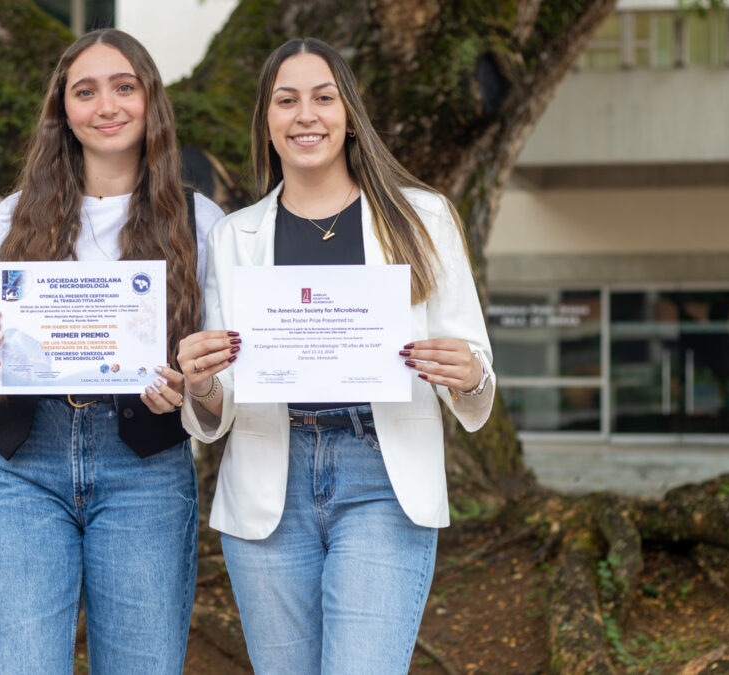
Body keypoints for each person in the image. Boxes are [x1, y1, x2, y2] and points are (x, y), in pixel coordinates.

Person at [177, 38, 496, 674]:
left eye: (324, 98)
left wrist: (468, 375)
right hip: (270, 482)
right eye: (286, 101)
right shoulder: (233, 235)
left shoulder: (422, 218)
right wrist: (201, 381)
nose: (306, 116)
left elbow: (475, 364)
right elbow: (218, 404)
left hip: (382, 478)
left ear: (348, 113)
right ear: (266, 121)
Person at [0, 29, 224, 674]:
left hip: (145, 467)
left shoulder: (202, 222)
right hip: (24, 465)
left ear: (149, 100)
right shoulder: (15, 217)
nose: (106, 105)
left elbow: (216, 383)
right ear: (64, 112)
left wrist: (188, 388)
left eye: (123, 86)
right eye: (85, 91)